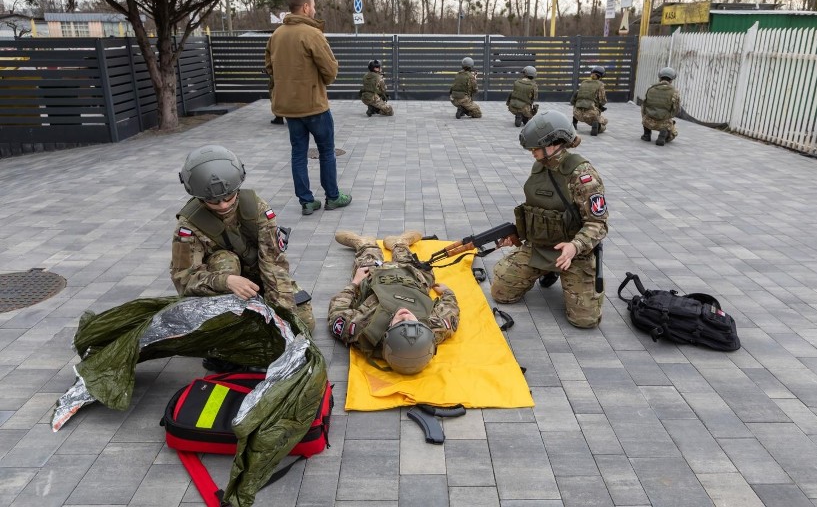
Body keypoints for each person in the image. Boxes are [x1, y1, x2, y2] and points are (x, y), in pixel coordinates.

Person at [170, 145, 315, 342]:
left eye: (229, 197)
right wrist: (226, 281)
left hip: (258, 276)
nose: (223, 205)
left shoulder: (257, 209)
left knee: (304, 323)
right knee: (225, 259)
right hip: (220, 286)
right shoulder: (188, 226)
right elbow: (184, 279)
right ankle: (224, 326)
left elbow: (273, 264)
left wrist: (282, 316)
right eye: (214, 201)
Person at [490, 110, 608, 329]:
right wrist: (517, 234)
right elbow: (537, 211)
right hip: (539, 246)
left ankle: (567, 274)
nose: (532, 152)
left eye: (535, 147)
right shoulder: (540, 167)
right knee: (501, 293)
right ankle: (548, 270)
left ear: (553, 143)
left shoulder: (583, 177)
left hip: (573, 253)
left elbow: (598, 224)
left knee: (585, 320)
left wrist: (575, 246)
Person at [265, 0, 352, 216]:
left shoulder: (276, 35)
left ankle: (307, 202)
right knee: (326, 151)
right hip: (314, 106)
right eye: (313, 5)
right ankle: (333, 197)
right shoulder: (312, 34)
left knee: (298, 154)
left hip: (290, 109)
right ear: (305, 7)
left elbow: (269, 68)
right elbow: (330, 70)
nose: (314, 9)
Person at [328, 230, 460, 374]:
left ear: (386, 335)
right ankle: (399, 243)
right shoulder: (432, 330)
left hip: (376, 276)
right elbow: (450, 311)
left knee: (367, 260)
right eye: (413, 322)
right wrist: (447, 292)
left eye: (400, 323)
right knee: (414, 266)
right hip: (411, 278)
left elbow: (337, 311)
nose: (406, 315)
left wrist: (354, 283)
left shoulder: (363, 328)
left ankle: (365, 243)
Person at [641, 67, 681, 146]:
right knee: (674, 132)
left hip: (649, 120)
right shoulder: (675, 91)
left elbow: (645, 104)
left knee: (643, 108)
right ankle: (663, 135)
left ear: (660, 78)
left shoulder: (651, 88)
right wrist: (669, 116)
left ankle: (646, 134)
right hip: (664, 122)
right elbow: (676, 109)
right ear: (671, 80)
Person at [571, 65, 608, 136]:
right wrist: (600, 106)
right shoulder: (600, 85)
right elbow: (603, 100)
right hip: (590, 115)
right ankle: (597, 125)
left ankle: (574, 122)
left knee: (579, 109)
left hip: (576, 113)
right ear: (601, 76)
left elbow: (575, 97)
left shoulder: (584, 82)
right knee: (605, 122)